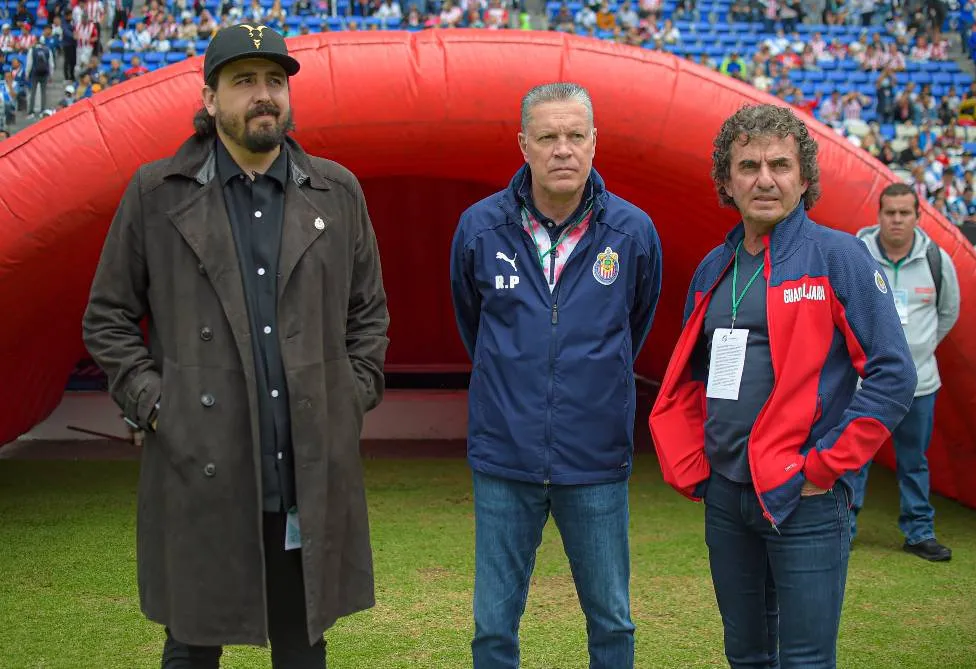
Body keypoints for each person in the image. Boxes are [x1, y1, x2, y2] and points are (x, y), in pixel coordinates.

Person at [82, 24, 390, 669]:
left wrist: (348, 397)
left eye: (275, 81)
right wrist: (158, 406)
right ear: (210, 95)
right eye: (244, 81)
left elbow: (369, 318)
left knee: (303, 644)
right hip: (202, 464)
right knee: (192, 644)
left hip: (305, 465)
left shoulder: (337, 193)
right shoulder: (155, 193)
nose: (263, 96)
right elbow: (107, 319)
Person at [649, 103, 917, 668]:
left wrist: (824, 467)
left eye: (780, 165)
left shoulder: (838, 256)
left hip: (806, 501)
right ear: (727, 179)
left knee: (805, 660)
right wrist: (699, 459)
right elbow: (696, 379)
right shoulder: (711, 268)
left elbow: (893, 374)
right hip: (726, 495)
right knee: (745, 655)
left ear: (804, 178)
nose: (764, 179)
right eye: (748, 166)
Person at [449, 82, 663, 669]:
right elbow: (475, 328)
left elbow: (634, 328)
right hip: (504, 459)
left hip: (595, 459)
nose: (562, 149)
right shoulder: (478, 228)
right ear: (523, 144)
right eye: (547, 137)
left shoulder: (634, 233)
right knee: (493, 627)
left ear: (595, 142)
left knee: (612, 623)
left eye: (575, 135)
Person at [849, 183, 960, 561]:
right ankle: (844, 528)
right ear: (878, 215)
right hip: (866, 384)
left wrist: (919, 351)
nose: (896, 219)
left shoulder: (936, 260)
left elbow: (947, 314)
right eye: (890, 212)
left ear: (917, 216)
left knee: (914, 461)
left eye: (904, 213)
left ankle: (919, 533)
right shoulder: (856, 254)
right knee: (853, 457)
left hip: (920, 385)